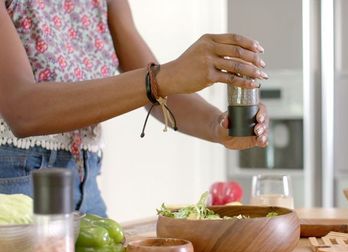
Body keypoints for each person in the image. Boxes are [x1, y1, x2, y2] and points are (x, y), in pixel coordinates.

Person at [0, 0, 269, 217]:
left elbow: (156, 89)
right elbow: (23, 111)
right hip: (15, 185)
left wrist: (218, 126)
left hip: (86, 180)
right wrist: (163, 76)